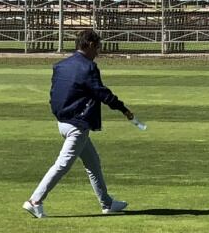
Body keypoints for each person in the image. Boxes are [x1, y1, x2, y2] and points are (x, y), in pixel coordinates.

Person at [23, 29, 134, 218]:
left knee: (93, 162)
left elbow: (55, 95)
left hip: (63, 121)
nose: (98, 51)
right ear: (90, 45)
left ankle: (106, 203)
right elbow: (101, 93)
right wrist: (123, 108)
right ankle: (35, 200)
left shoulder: (61, 65)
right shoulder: (88, 67)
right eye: (97, 47)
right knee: (62, 164)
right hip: (77, 124)